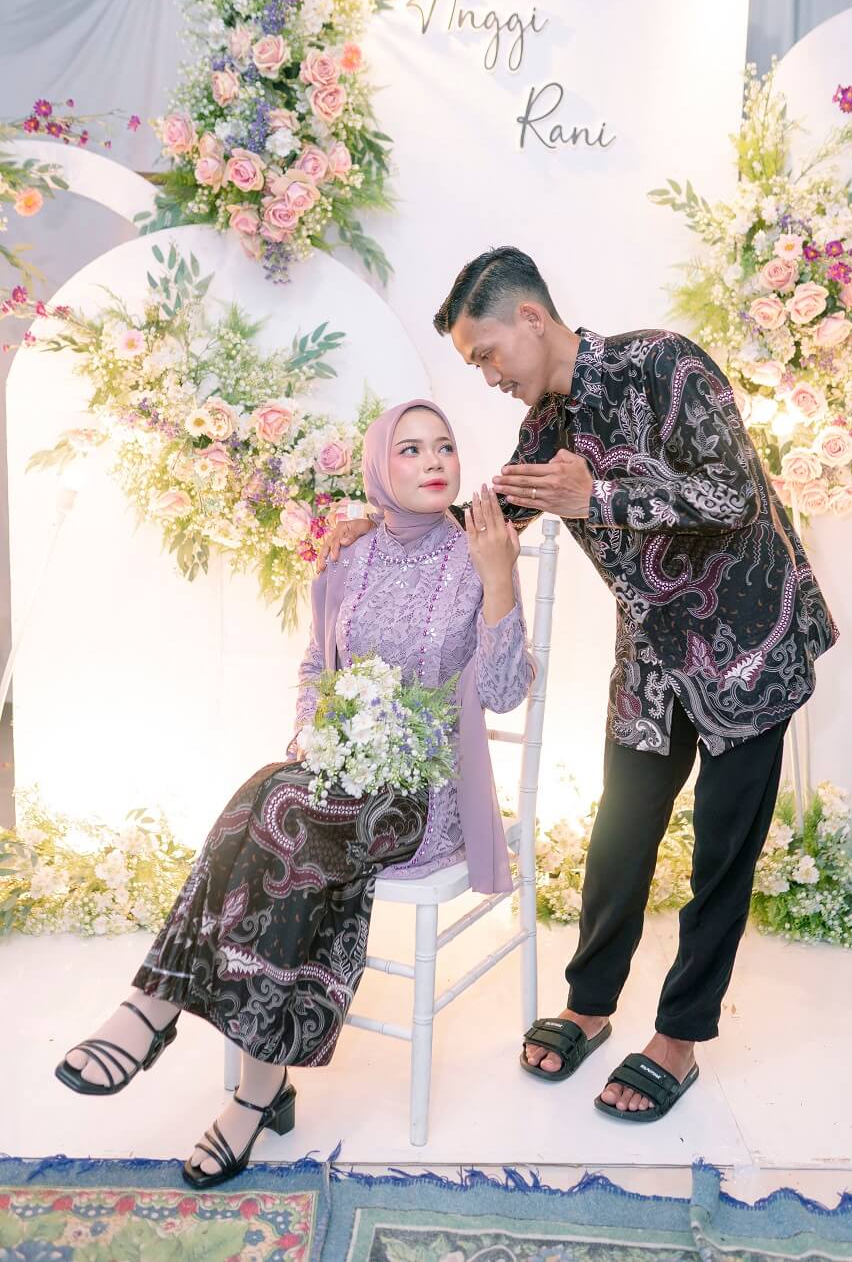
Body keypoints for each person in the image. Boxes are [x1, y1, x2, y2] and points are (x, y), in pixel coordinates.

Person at [320, 246, 839, 1124]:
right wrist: (387, 518)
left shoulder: (663, 362)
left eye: (487, 353)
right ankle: (590, 1005)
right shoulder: (545, 431)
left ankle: (679, 1036)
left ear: (531, 318)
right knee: (619, 833)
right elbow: (490, 517)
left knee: (722, 847)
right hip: (653, 660)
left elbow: (734, 495)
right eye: (474, 365)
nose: (487, 376)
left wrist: (597, 497)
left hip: (750, 644)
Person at [54, 400, 534, 1184]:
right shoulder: (350, 554)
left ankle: (161, 1013)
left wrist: (500, 578)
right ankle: (255, 1087)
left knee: (276, 809)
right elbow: (316, 666)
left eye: (444, 446)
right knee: (278, 801)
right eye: (411, 449)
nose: (433, 462)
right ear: (380, 467)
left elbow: (507, 691)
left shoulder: (478, 554)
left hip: (422, 798)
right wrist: (315, 735)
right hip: (334, 782)